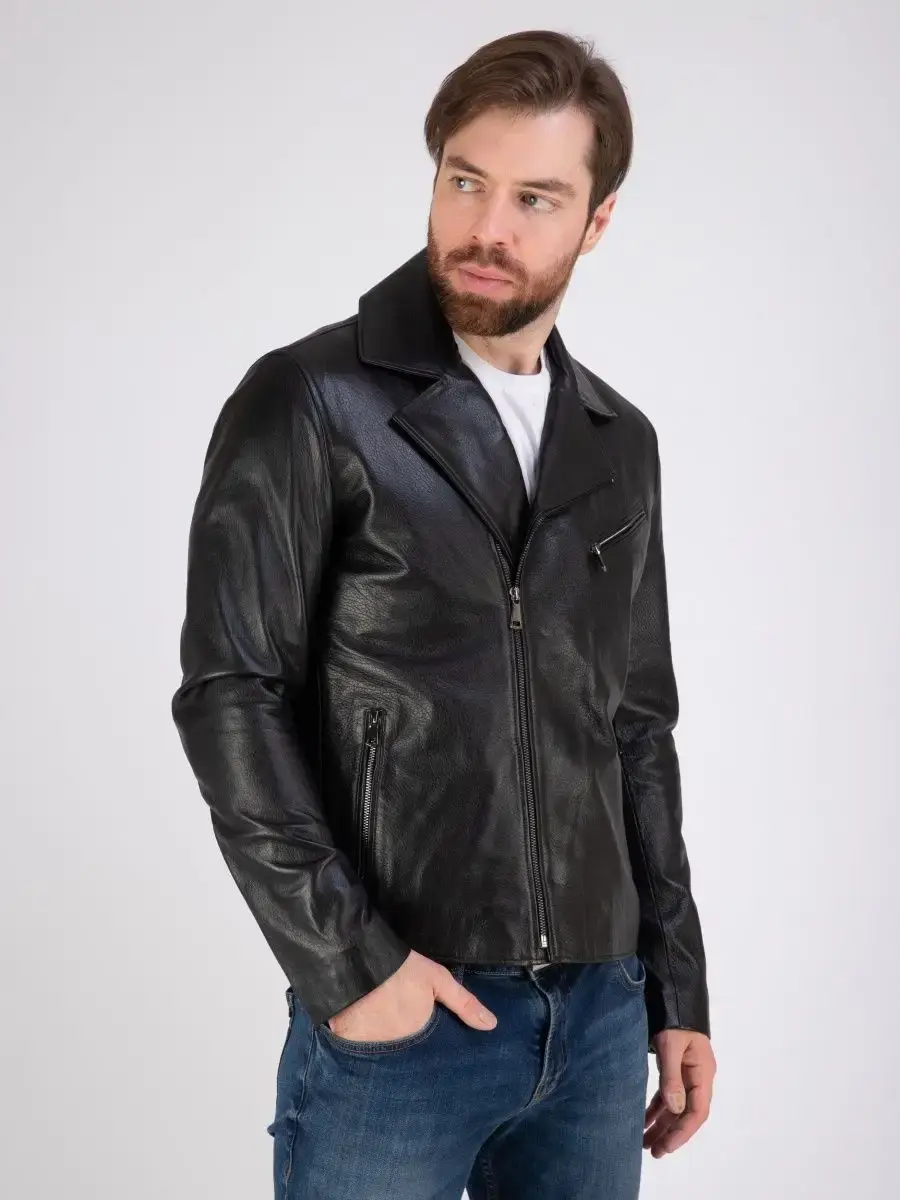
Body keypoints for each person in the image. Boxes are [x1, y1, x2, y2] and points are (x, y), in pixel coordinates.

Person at [171, 27, 716, 1200]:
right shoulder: (312, 401)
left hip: (601, 1019)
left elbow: (637, 727)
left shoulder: (619, 445)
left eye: (535, 198)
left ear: (597, 220)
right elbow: (230, 695)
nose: (487, 227)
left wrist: (678, 989)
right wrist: (353, 966)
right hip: (404, 1017)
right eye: (466, 181)